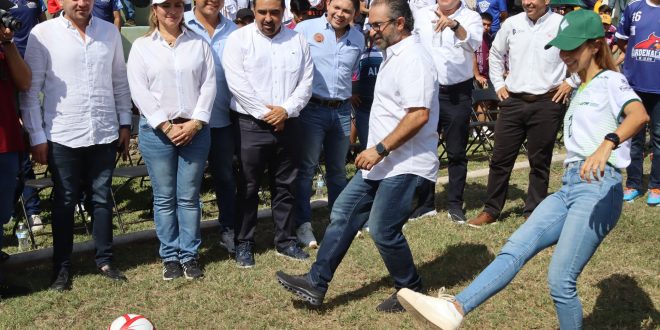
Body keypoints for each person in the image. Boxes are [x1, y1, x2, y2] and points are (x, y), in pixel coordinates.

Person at [397, 10, 650, 330]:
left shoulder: (611, 81)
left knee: (560, 281)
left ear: (595, 47)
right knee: (513, 249)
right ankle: (455, 309)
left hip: (599, 187)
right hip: (571, 186)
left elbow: (639, 115)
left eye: (572, 48)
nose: (564, 55)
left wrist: (608, 143)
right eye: (562, 47)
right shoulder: (581, 86)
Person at [276, 0, 440, 312]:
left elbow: (418, 115)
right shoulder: (395, 55)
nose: (370, 30)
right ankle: (316, 281)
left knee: (382, 229)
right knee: (343, 213)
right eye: (370, 24)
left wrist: (380, 149)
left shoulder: (415, 59)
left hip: (406, 163)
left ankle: (412, 290)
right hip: (384, 162)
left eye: (378, 25)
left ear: (400, 24)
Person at [21, 0, 132, 290]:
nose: (82, 3)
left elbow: (119, 80)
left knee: (102, 199)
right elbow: (31, 91)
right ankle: (61, 268)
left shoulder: (108, 32)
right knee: (64, 202)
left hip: (104, 131)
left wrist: (124, 122)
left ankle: (106, 259)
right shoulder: (42, 34)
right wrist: (36, 136)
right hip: (63, 133)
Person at [127, 0, 216, 280]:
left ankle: (189, 255)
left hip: (194, 130)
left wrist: (196, 122)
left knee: (189, 197)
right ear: (154, 9)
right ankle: (170, 257)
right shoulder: (142, 47)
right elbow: (138, 90)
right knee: (164, 198)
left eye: (178, 5)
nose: (172, 11)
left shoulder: (199, 43)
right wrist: (165, 126)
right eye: (166, 5)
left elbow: (209, 84)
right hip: (157, 132)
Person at [466, 0, 576, 227]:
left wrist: (571, 81)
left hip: (547, 102)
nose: (527, 2)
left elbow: (580, 53)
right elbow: (495, 54)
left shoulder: (562, 24)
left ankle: (533, 211)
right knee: (500, 159)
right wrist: (498, 85)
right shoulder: (512, 23)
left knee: (540, 161)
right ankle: (491, 210)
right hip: (513, 101)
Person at [223, 0, 313, 268]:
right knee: (248, 186)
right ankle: (244, 243)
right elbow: (237, 84)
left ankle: (285, 241)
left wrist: (286, 110)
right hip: (250, 125)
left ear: (283, 12)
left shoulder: (298, 41)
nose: (268, 18)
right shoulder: (238, 39)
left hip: (289, 123)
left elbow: (306, 82)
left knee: (286, 185)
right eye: (262, 12)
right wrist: (269, 114)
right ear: (254, 11)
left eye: (274, 12)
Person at [293, 0, 364, 249]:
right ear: (328, 5)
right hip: (312, 109)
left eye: (347, 10)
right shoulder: (305, 29)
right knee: (306, 170)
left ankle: (339, 220)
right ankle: (303, 225)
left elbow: (352, 72)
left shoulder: (358, 38)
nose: (340, 14)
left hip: (342, 111)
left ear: (354, 13)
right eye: (337, 7)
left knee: (337, 170)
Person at [412, 0, 483, 222]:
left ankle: (454, 204)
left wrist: (454, 25)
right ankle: (424, 205)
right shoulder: (422, 14)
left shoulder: (471, 17)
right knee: (424, 149)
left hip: (456, 93)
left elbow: (472, 43)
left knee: (456, 151)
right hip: (426, 91)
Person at [185, 0, 238, 254]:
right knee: (188, 183)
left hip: (221, 120)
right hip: (187, 123)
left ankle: (229, 230)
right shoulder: (179, 22)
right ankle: (188, 239)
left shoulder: (234, 31)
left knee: (225, 178)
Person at [7, 0, 47, 233]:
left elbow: (42, 25)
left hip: (31, 70)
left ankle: (31, 209)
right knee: (19, 152)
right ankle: (22, 209)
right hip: (9, 72)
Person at [0, 8, 32, 299]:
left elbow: (24, 82)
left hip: (7, 142)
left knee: (2, 212)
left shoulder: (4, 47)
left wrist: (8, 44)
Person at [616, 0, 660, 206]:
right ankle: (633, 183)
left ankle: (656, 186)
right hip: (635, 85)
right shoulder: (634, 8)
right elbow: (622, 41)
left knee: (658, 139)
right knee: (634, 138)